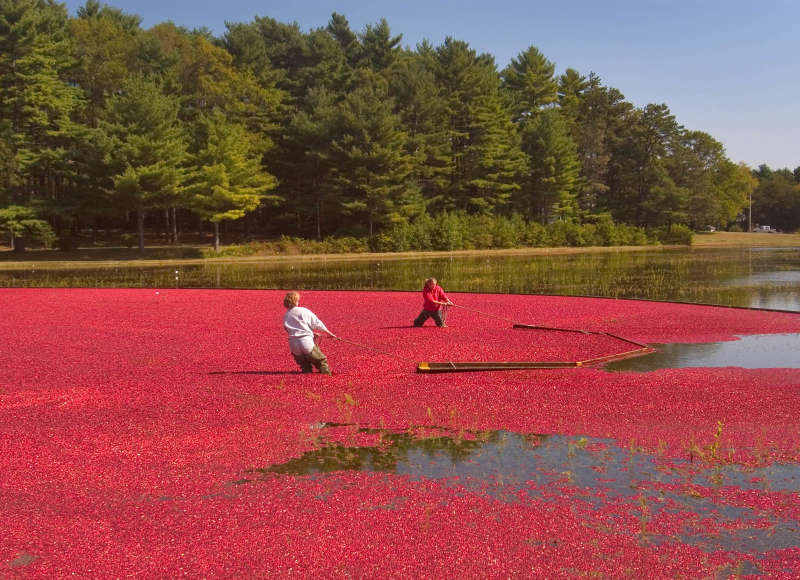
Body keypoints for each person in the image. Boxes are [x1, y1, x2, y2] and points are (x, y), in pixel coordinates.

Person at [282, 291, 336, 375]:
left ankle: (307, 377)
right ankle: (326, 376)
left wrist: (312, 333)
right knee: (321, 361)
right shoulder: (303, 311)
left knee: (305, 365)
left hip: (293, 345)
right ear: (296, 300)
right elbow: (317, 323)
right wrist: (329, 333)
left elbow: (290, 330)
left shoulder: (286, 315)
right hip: (306, 342)